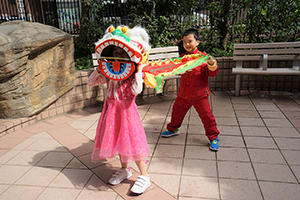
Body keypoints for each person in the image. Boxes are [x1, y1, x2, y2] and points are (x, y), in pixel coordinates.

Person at [88, 26, 151, 194]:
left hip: (127, 113)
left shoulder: (132, 74)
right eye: (115, 53)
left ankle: (144, 176)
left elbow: (137, 90)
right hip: (111, 112)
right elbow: (91, 82)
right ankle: (125, 169)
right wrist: (99, 69)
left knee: (133, 143)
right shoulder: (109, 73)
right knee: (119, 141)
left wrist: (138, 70)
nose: (118, 57)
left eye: (123, 54)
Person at [161, 28, 220, 151]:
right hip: (184, 93)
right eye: (184, 42)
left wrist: (212, 64)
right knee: (177, 111)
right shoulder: (182, 58)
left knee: (207, 116)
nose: (187, 44)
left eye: (190, 41)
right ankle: (173, 129)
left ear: (197, 42)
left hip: (200, 95)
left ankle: (213, 137)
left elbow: (212, 73)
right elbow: (174, 69)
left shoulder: (203, 58)